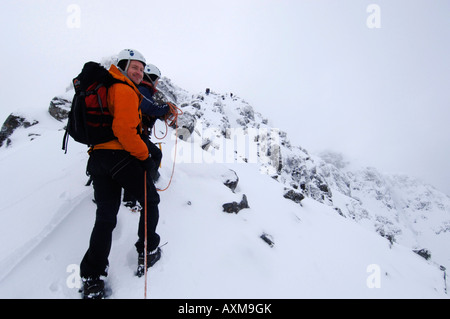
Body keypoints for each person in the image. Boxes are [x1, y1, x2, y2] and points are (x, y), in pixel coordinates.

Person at [80, 49, 162, 299]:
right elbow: (125, 132)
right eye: (134, 68)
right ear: (123, 67)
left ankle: (93, 278)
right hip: (119, 157)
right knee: (150, 201)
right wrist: (145, 157)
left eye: (141, 69)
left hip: (98, 159)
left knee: (105, 216)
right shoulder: (124, 89)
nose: (138, 72)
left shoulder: (110, 86)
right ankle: (146, 251)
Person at [122, 63, 170, 208]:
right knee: (151, 157)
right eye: (157, 80)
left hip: (136, 133)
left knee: (146, 158)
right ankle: (142, 189)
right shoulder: (142, 89)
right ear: (152, 78)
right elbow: (150, 107)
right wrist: (167, 107)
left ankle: (142, 187)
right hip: (135, 134)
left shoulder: (142, 89)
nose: (157, 83)